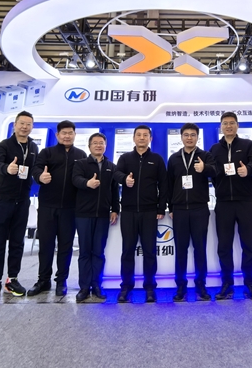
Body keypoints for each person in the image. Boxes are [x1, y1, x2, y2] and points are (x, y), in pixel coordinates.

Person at [0, 111, 39, 305]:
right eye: (22, 123)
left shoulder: (33, 147)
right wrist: (6, 168)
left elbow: (35, 169)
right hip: (2, 200)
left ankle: (12, 279)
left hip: (22, 201)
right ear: (15, 125)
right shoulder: (3, 146)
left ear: (32, 127)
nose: (25, 127)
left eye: (28, 124)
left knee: (17, 242)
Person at [29, 120, 86, 297]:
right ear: (57, 135)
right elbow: (36, 169)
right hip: (47, 206)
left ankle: (61, 281)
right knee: (46, 245)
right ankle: (43, 280)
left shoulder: (81, 154)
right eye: (64, 133)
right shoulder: (47, 152)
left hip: (70, 208)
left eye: (70, 133)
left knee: (65, 246)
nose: (67, 136)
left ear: (75, 135)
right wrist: (40, 176)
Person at [209, 112, 252, 300]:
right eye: (225, 123)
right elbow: (212, 172)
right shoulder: (214, 149)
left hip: (245, 202)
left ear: (237, 125)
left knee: (248, 245)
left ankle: (250, 284)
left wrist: (248, 169)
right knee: (224, 246)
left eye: (232, 123)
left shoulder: (247, 145)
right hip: (223, 204)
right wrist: (220, 188)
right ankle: (227, 284)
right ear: (221, 127)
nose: (229, 126)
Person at [114, 125, 167, 303]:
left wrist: (161, 208)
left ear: (150, 138)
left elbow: (164, 185)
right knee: (127, 251)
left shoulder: (157, 159)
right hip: (128, 211)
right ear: (134, 138)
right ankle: (126, 286)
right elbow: (116, 174)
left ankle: (150, 287)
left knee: (149, 251)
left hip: (149, 212)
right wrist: (124, 179)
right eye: (139, 135)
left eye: (145, 135)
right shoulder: (125, 158)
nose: (142, 138)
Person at [167, 123, 216, 302]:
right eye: (186, 135)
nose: (189, 138)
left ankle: (201, 284)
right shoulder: (174, 158)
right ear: (181, 137)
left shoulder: (205, 156)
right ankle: (180, 286)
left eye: (193, 135)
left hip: (199, 209)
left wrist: (205, 168)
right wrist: (171, 207)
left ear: (197, 137)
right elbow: (169, 184)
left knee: (199, 249)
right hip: (179, 210)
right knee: (180, 250)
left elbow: (215, 172)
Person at [71, 133, 120, 303]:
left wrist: (115, 209)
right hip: (83, 214)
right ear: (89, 146)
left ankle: (97, 285)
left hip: (103, 215)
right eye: (95, 143)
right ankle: (84, 287)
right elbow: (75, 180)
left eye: (101, 143)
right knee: (85, 252)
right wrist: (87, 183)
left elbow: (115, 190)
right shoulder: (81, 164)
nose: (98, 146)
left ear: (105, 146)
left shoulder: (111, 167)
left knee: (98, 252)